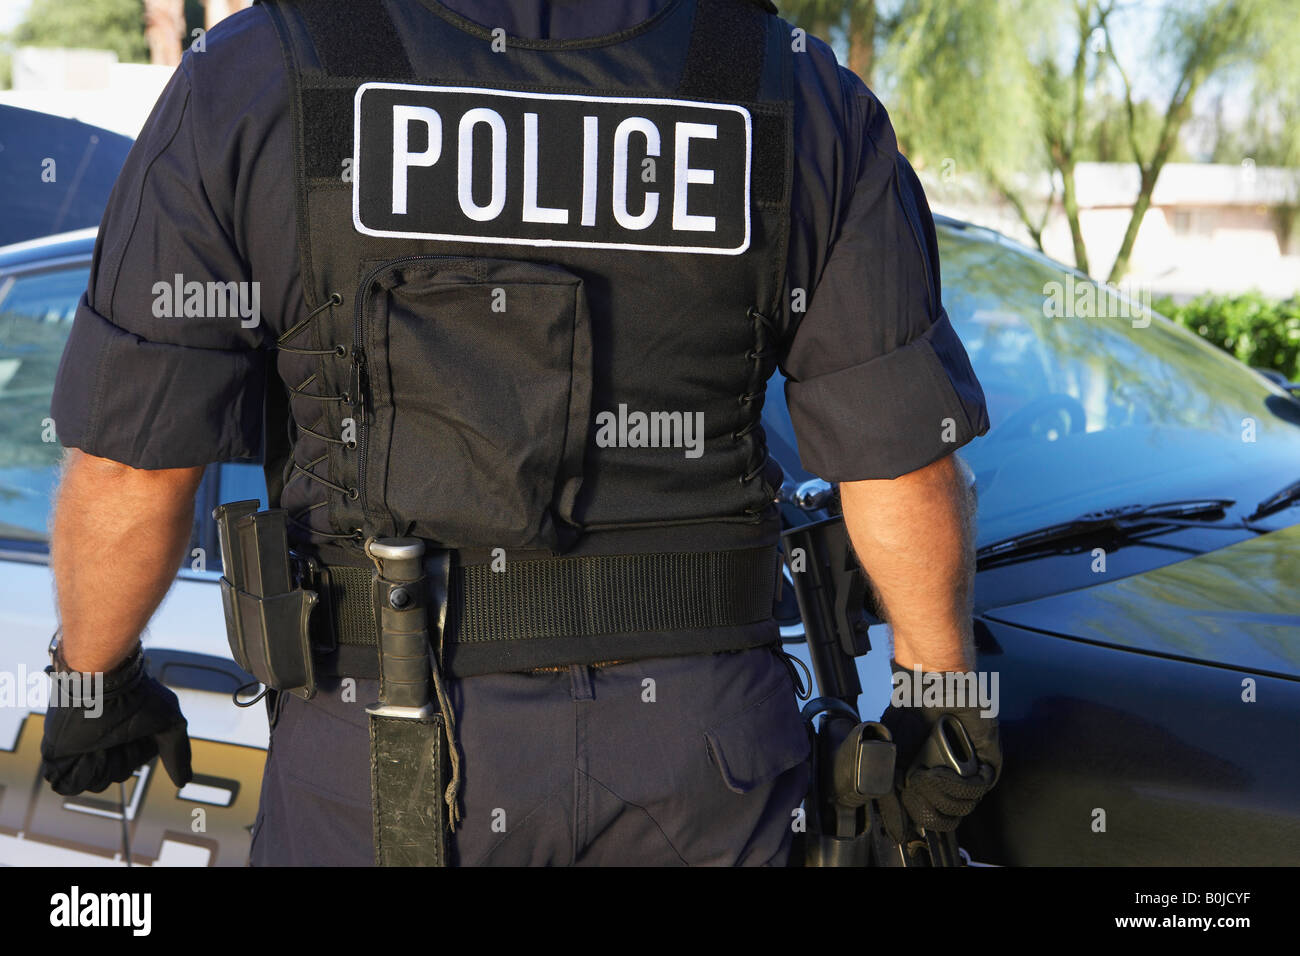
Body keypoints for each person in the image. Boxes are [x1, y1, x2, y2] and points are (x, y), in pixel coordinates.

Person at [40, 0, 998, 866]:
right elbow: (901, 464)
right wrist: (945, 713)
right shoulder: (779, 80)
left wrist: (95, 683)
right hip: (705, 762)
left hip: (382, 757)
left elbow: (135, 468)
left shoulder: (263, 70)